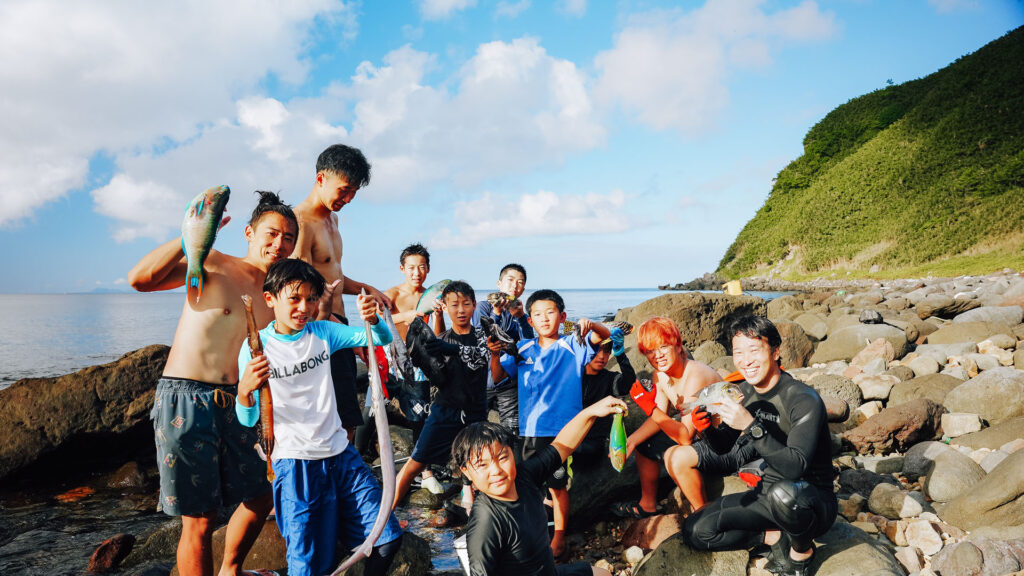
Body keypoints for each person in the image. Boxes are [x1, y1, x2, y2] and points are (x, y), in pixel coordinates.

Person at [128, 191, 298, 576]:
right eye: (272, 234)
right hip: (187, 397)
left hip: (241, 401)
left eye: (288, 238)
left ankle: (229, 570)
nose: (279, 244)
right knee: (200, 520)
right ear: (249, 233)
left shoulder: (277, 294)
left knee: (262, 494)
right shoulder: (212, 261)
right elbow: (140, 280)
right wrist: (190, 238)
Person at [236, 258, 403, 576]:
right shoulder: (257, 347)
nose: (304, 308)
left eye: (311, 299)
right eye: (295, 299)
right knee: (308, 566)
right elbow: (247, 419)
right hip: (294, 465)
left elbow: (379, 339)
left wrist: (374, 320)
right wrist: (244, 391)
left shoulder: (324, 332)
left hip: (342, 456)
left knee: (387, 539)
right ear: (270, 299)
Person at [674, 315, 837, 576]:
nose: (745, 360)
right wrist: (706, 430)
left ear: (775, 352)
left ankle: (801, 552)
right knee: (696, 530)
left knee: (784, 494)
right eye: (738, 352)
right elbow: (724, 447)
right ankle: (774, 538)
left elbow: (795, 467)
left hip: (810, 501)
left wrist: (751, 426)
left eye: (754, 350)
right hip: (767, 495)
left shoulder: (803, 399)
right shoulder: (746, 393)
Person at [491, 289, 610, 558]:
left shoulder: (574, 345)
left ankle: (559, 536)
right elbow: (498, 377)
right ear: (530, 320)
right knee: (526, 484)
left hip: (564, 433)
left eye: (550, 312)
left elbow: (604, 335)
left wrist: (591, 324)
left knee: (558, 485)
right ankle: (529, 531)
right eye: (537, 314)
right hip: (530, 430)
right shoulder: (522, 348)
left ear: (562, 317)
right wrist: (494, 355)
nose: (544, 319)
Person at [452, 396, 628, 576]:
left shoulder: (523, 477)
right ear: (466, 471)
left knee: (602, 574)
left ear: (512, 453)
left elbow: (562, 446)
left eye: (502, 457)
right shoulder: (486, 521)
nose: (496, 470)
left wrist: (591, 412)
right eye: (482, 465)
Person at [291, 144, 392, 444]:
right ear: (321, 178)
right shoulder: (300, 222)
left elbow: (331, 277)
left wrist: (366, 288)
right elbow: (299, 286)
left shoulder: (332, 220)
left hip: (338, 326)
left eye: (353, 193)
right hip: (318, 330)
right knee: (328, 421)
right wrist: (344, 335)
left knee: (347, 419)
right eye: (344, 190)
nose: (347, 199)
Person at [392, 281, 494, 511]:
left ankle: (477, 513)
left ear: (474, 305)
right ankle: (385, 515)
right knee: (415, 463)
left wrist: (453, 350)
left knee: (479, 465)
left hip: (476, 413)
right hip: (444, 410)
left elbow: (483, 355)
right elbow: (433, 371)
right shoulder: (441, 339)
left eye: (466, 304)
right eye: (454, 305)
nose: (461, 310)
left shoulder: (483, 335)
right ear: (445, 307)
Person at [355, 243, 444, 491]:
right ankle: (356, 461)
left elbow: (437, 335)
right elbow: (373, 320)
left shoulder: (430, 297)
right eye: (412, 267)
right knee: (372, 409)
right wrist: (407, 316)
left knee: (420, 415)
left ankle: (424, 472)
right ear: (402, 269)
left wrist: (437, 315)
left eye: (422, 267)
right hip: (387, 360)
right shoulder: (390, 295)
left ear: (428, 269)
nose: (417, 272)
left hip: (416, 364)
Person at [613, 317, 719, 518]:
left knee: (675, 454)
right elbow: (658, 418)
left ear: (678, 346)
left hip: (724, 444)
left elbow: (685, 437)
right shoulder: (660, 375)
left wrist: (647, 405)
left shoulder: (695, 375)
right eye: (650, 351)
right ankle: (647, 505)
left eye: (663, 347)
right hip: (700, 436)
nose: (657, 355)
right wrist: (631, 441)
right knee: (645, 443)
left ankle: (703, 515)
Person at [472, 264, 533, 434]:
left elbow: (529, 343)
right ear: (499, 283)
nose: (515, 285)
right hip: (483, 379)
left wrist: (521, 317)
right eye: (510, 280)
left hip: (508, 380)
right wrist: (497, 313)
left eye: (520, 282)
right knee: (476, 427)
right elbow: (482, 338)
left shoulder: (520, 313)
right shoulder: (483, 307)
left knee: (511, 430)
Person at [574, 334, 636, 465]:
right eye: (597, 350)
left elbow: (628, 383)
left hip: (595, 443)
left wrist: (620, 355)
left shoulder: (610, 378)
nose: (602, 356)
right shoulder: (572, 376)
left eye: (607, 351)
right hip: (571, 434)